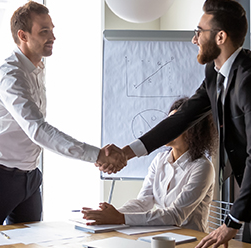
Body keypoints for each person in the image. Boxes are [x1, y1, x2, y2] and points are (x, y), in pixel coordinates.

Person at [119, 0, 251, 248]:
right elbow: (182, 118)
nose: (194, 39)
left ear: (220, 37)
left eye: (199, 32)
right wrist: (128, 152)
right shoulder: (215, 73)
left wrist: (233, 220)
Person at [0, 1, 124, 227]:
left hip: (29, 176)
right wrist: (97, 155)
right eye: (44, 31)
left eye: (52, 30)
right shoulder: (11, 75)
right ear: (22, 35)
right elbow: (38, 130)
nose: (52, 37)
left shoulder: (37, 67)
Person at [81, 97, 216, 231]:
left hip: (192, 243)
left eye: (174, 124)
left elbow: (175, 216)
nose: (167, 129)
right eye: (167, 123)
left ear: (194, 130)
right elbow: (143, 202)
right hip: (162, 237)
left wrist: (119, 218)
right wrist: (110, 215)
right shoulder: (159, 160)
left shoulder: (203, 167)